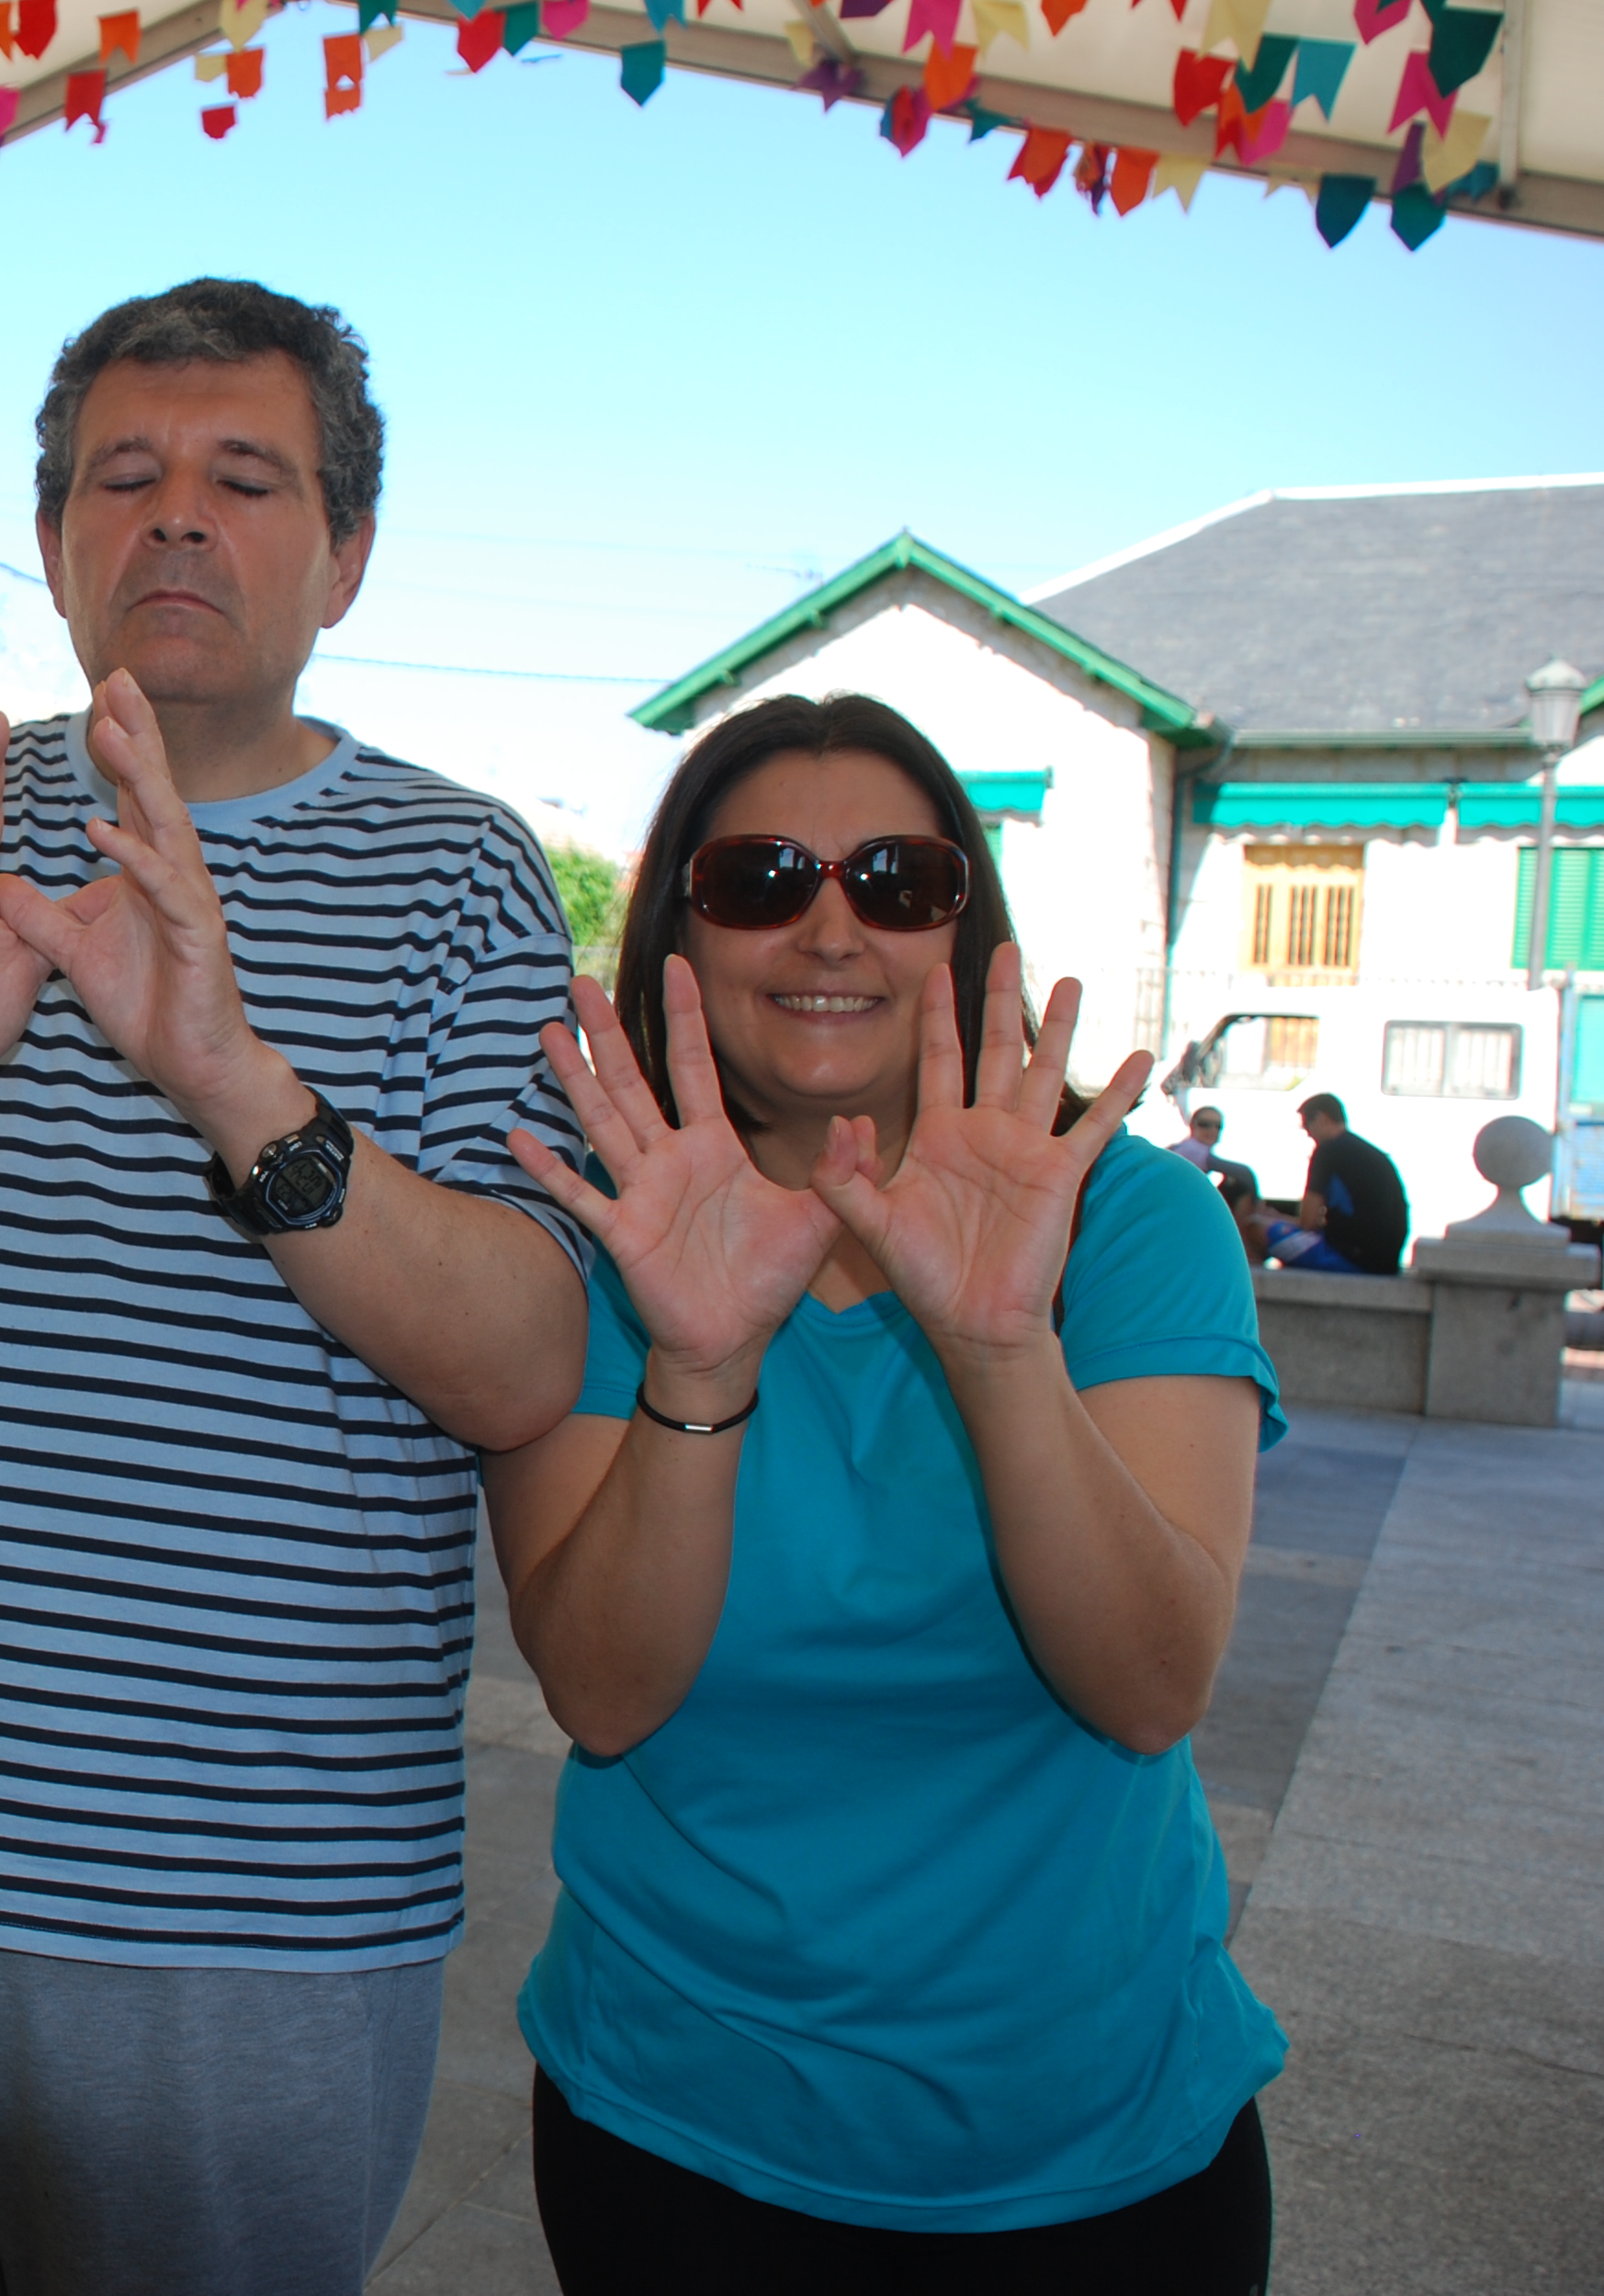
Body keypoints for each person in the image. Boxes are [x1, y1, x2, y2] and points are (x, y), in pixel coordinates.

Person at [0, 278, 592, 2294]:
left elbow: (521, 1361)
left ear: (347, 550)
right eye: (121, 480)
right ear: (53, 539)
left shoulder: (458, 875)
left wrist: (233, 1075)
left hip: (246, 1908)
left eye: (246, 478)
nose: (175, 520)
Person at [487, 693, 1284, 2293]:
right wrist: (696, 1363)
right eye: (763, 877)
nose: (831, 926)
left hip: (1095, 2143)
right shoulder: (600, 1237)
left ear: (963, 928)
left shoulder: (1123, 1224)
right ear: (680, 937)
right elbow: (606, 1690)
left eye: (897, 880)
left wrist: (998, 1344)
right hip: (674, 2131)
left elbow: (1147, 1684)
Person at [1289, 1091, 1409, 1274]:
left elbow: (1308, 1222)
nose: (1308, 1134)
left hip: (1350, 1258)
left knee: (1257, 1228)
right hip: (1386, 1261)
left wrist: (1277, 1219)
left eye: (1307, 1125)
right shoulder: (1371, 1154)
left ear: (1322, 1118)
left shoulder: (1327, 1152)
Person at [1169, 1104, 1259, 1216]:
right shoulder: (1191, 1149)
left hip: (1182, 1201)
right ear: (1193, 1126)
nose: (1212, 1130)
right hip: (1176, 1205)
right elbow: (1243, 1172)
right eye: (1205, 1125)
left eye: (1218, 1126)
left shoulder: (1182, 1147)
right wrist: (1257, 1204)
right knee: (1239, 1187)